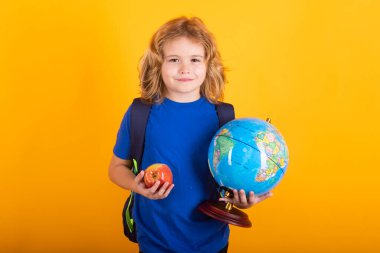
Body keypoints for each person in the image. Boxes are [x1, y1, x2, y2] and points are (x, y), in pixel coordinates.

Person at [108, 16, 272, 253]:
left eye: (195, 59)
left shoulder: (224, 119)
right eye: (174, 59)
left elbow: (230, 181)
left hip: (211, 243)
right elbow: (115, 168)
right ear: (158, 65)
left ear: (208, 65)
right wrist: (137, 184)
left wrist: (242, 200)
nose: (185, 68)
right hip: (155, 241)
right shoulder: (139, 113)